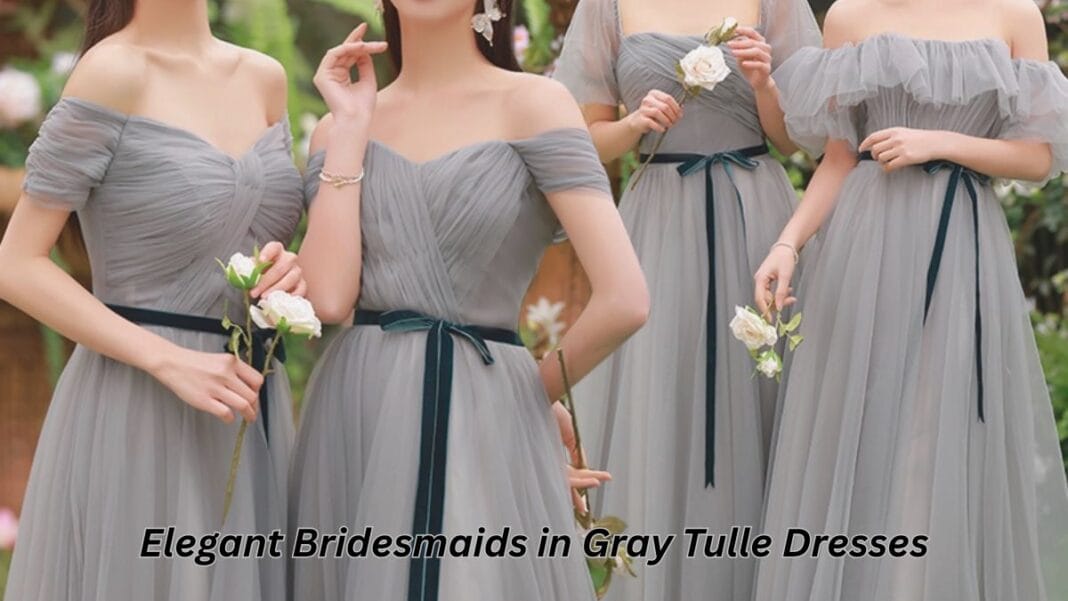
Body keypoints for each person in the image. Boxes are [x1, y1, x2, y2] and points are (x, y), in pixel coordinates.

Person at [287, 1, 649, 599]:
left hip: (485, 408)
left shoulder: (535, 103)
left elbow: (625, 299)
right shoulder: (339, 127)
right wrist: (350, 128)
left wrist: (524, 395)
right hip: (357, 414)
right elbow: (328, 298)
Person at [752, 0, 1068, 599]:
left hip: (961, 250)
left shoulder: (1014, 14)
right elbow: (838, 160)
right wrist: (788, 243)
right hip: (864, 250)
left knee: (936, 431)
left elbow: (1037, 158)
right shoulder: (850, 15)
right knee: (863, 433)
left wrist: (940, 142)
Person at [0, 1, 307, 599]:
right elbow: (16, 263)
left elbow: (250, 244)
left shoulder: (264, 78)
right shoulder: (114, 71)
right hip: (139, 401)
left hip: (248, 403)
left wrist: (286, 270)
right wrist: (168, 360)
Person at [553, 0, 819, 598]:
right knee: (659, 394)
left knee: (763, 394)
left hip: (756, 219)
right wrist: (634, 124)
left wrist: (764, 83)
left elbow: (801, 140)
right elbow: (586, 141)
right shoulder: (606, 6)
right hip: (657, 224)